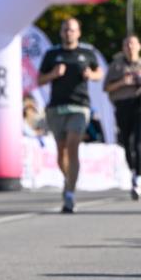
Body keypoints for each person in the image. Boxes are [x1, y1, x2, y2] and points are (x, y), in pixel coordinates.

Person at [38, 17, 103, 213]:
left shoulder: (87, 53)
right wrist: (53, 74)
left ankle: (69, 194)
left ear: (78, 33)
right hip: (56, 107)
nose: (68, 33)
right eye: (65, 30)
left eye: (72, 30)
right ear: (61, 33)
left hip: (79, 107)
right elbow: (39, 80)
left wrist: (91, 75)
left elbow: (99, 73)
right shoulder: (52, 54)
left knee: (73, 146)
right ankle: (69, 180)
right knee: (61, 153)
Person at [104, 34, 141, 199]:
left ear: (139, 46)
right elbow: (106, 88)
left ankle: (139, 178)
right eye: (127, 44)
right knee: (127, 143)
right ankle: (134, 170)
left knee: (139, 143)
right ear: (123, 48)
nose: (130, 47)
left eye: (133, 44)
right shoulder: (116, 65)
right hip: (123, 105)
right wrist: (123, 82)